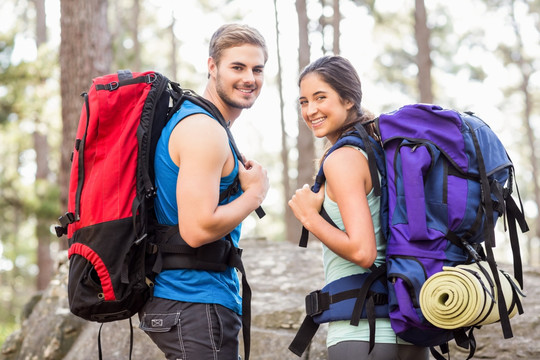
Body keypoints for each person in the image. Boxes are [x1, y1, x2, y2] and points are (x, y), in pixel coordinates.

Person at [138, 24, 269, 360]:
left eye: (257, 69)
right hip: (192, 299)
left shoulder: (205, 124)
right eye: (237, 67)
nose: (249, 79)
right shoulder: (203, 130)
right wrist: (254, 195)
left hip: (192, 301)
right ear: (212, 67)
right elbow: (196, 230)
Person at [288, 55, 429, 360]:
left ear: (349, 99)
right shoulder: (382, 153)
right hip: (412, 332)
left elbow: (363, 252)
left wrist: (309, 217)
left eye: (320, 97)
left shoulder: (343, 158)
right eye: (303, 101)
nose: (310, 110)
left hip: (362, 334)